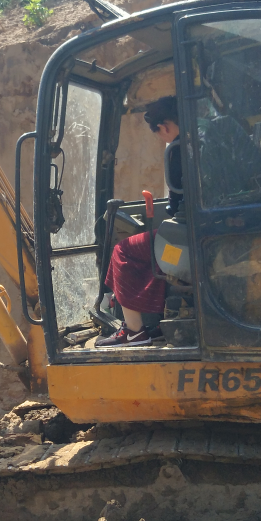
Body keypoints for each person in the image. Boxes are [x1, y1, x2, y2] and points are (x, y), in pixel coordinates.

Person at [97, 95, 181, 348]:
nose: (161, 138)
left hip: (187, 241)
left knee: (124, 250)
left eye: (158, 133)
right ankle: (153, 322)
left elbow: (177, 205)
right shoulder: (205, 140)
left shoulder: (178, 150)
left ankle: (134, 332)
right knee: (151, 248)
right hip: (205, 231)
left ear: (164, 127)